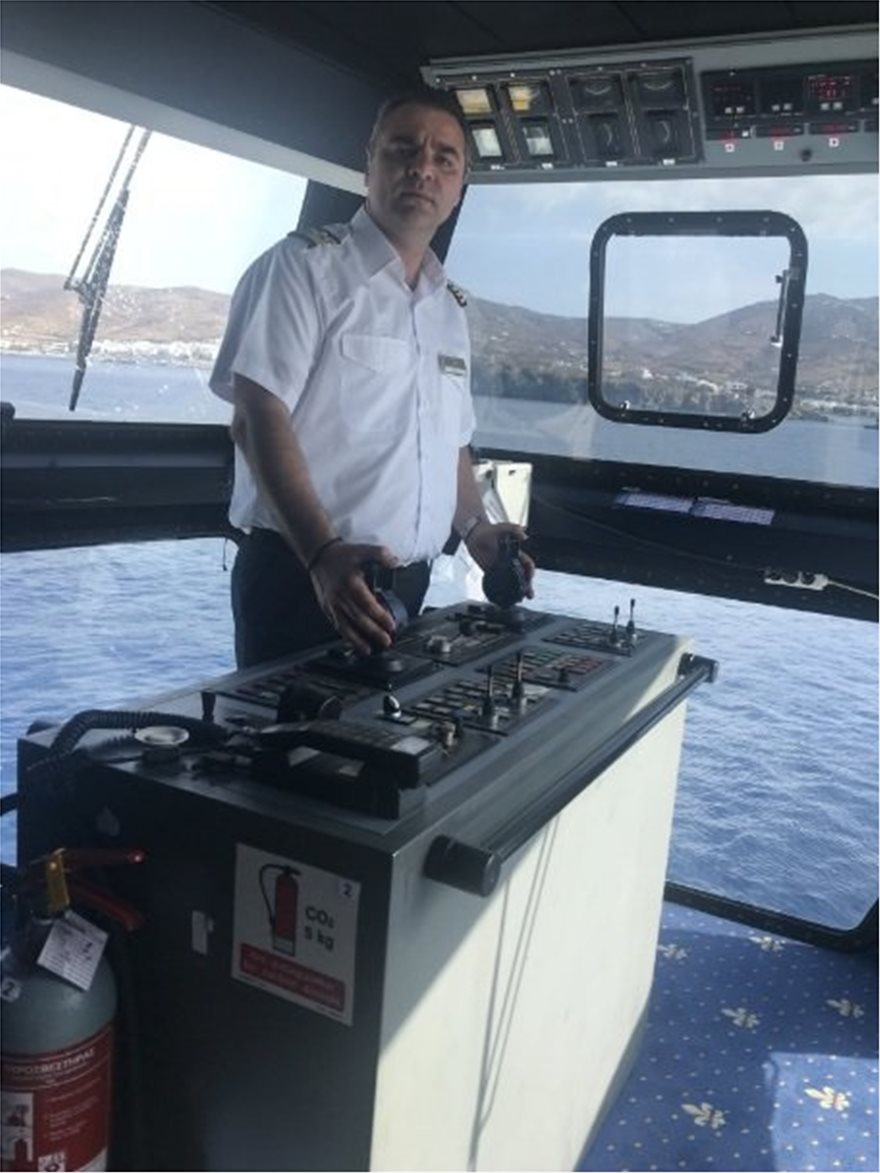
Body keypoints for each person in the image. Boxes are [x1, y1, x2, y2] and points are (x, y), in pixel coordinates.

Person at [210, 85, 534, 669]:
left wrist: (474, 529)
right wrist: (321, 557)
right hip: (302, 576)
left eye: (444, 159)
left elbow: (449, 443)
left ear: (460, 187)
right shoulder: (302, 270)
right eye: (403, 149)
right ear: (369, 166)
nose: (422, 169)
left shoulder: (448, 309)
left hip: (407, 588)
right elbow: (256, 420)